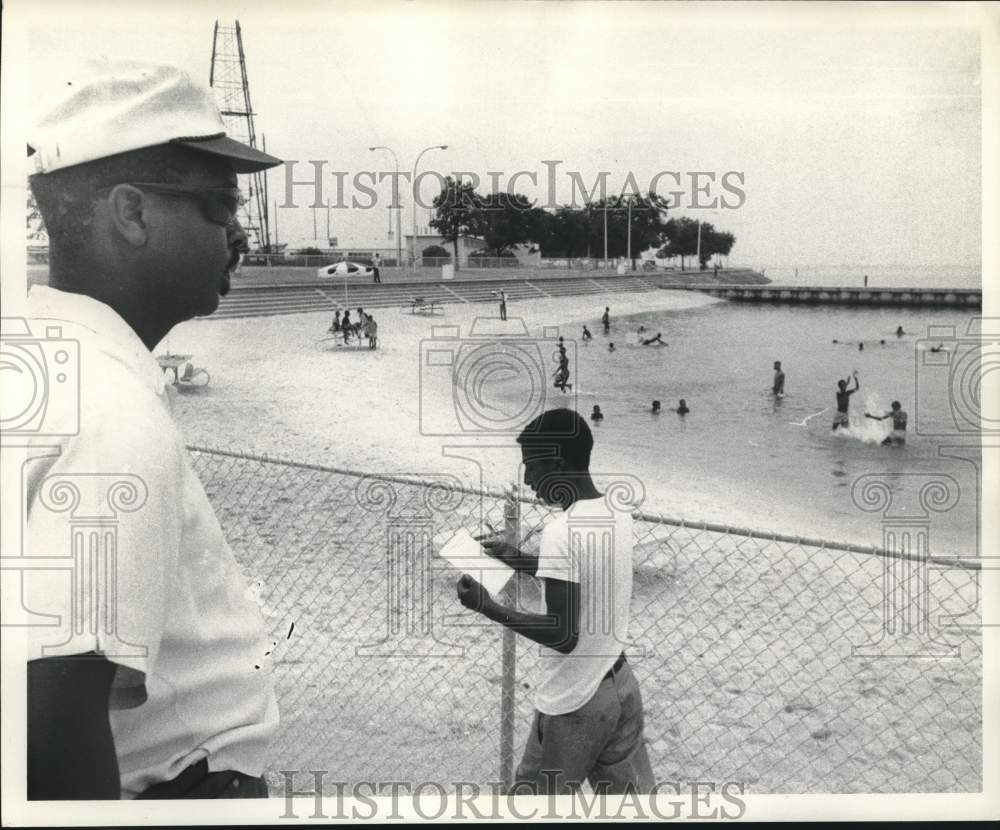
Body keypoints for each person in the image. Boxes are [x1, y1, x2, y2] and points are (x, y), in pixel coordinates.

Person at [23, 61, 281, 799]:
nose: (239, 235)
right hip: (181, 792)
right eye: (220, 205)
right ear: (131, 213)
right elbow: (53, 720)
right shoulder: (113, 414)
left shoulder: (40, 357)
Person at [458, 409, 654, 794]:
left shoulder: (561, 530)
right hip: (618, 684)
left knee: (532, 808)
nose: (529, 480)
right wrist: (520, 559)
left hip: (575, 700)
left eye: (532, 467)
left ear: (559, 462)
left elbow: (563, 635)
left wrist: (487, 606)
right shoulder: (614, 510)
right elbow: (587, 570)